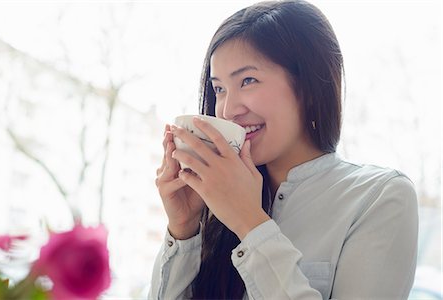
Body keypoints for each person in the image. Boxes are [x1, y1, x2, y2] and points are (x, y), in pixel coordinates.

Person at [150, 0, 418, 299]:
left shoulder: (379, 198)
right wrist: (183, 228)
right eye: (219, 89)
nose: (226, 110)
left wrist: (249, 223)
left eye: (248, 80)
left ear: (306, 86)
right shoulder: (214, 209)